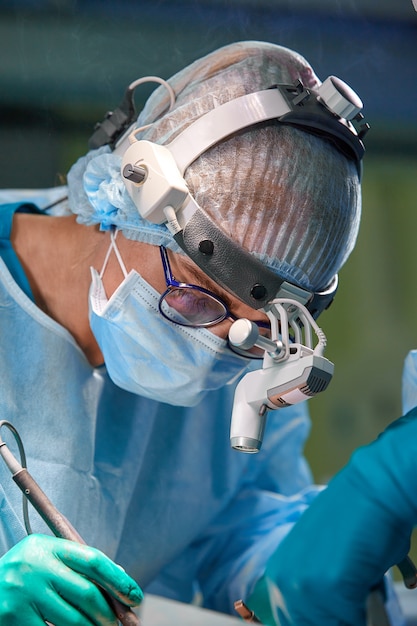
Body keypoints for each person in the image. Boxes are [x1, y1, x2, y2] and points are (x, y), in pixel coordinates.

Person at [0, 40, 369, 625]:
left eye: (256, 332)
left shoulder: (251, 366)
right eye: (198, 294)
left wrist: (296, 565)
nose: (216, 347)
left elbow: (240, 520)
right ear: (132, 194)